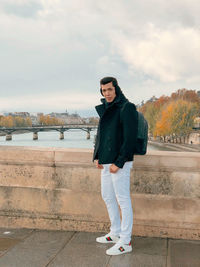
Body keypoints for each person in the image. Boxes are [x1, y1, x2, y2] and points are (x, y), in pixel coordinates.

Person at [93, 77, 138, 255]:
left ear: (116, 89)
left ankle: (125, 241)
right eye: (104, 91)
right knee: (107, 196)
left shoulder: (127, 107)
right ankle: (115, 232)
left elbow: (130, 139)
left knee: (123, 200)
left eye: (109, 90)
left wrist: (119, 162)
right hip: (106, 161)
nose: (107, 93)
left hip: (120, 162)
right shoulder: (107, 108)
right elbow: (102, 134)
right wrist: (97, 156)